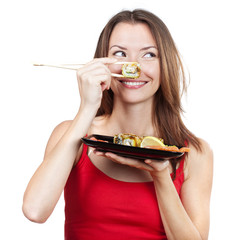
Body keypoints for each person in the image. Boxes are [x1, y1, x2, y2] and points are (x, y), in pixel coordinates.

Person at [22, 9, 213, 240]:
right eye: (119, 54)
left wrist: (161, 175)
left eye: (149, 55)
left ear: (166, 66)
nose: (132, 66)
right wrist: (87, 107)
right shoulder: (71, 134)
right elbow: (35, 210)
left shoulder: (194, 153)